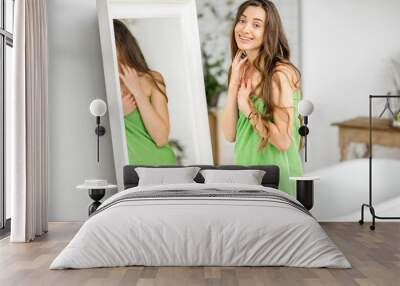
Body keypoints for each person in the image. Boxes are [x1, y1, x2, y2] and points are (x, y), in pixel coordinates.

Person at [220, 0, 303, 196]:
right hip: (246, 176)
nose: (245, 29)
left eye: (256, 24)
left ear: (269, 32)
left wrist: (247, 107)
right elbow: (229, 134)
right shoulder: (240, 69)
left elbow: (283, 141)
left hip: (276, 180)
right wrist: (233, 85)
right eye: (242, 21)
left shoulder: (279, 74)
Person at [113, 19, 177, 165]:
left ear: (123, 44)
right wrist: (117, 115)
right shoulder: (100, 84)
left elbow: (161, 138)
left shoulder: (152, 78)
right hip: (128, 171)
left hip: (162, 166)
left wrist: (137, 92)